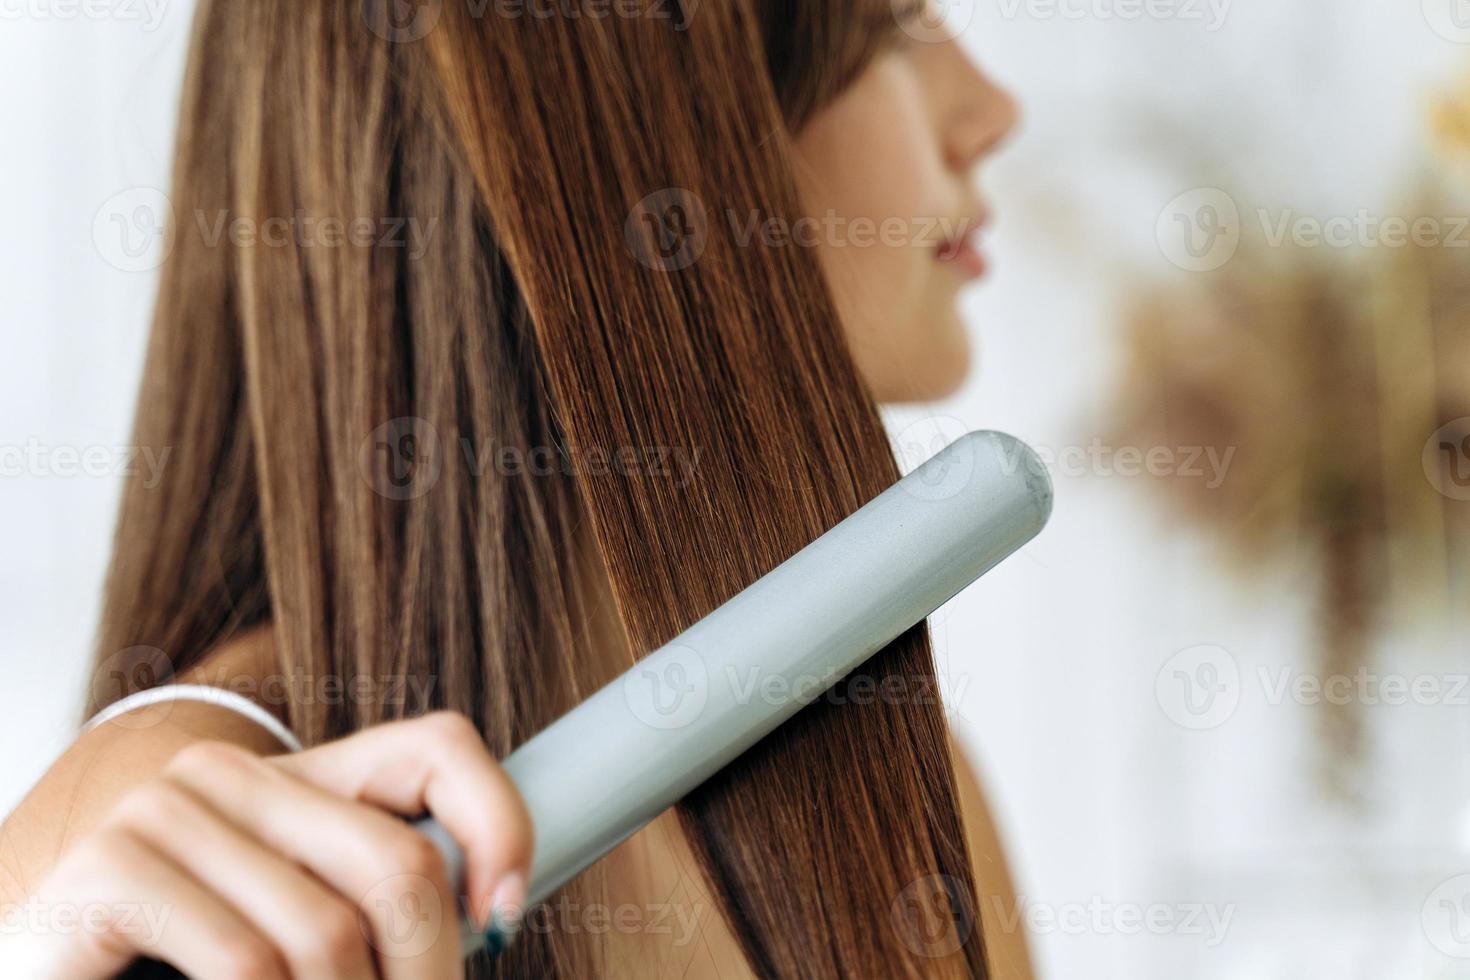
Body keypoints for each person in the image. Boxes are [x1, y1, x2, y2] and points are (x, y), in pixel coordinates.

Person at [0, 1, 1028, 977]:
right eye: (889, 21)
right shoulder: (175, 827)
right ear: (616, 116)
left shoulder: (897, 795)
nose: (992, 108)